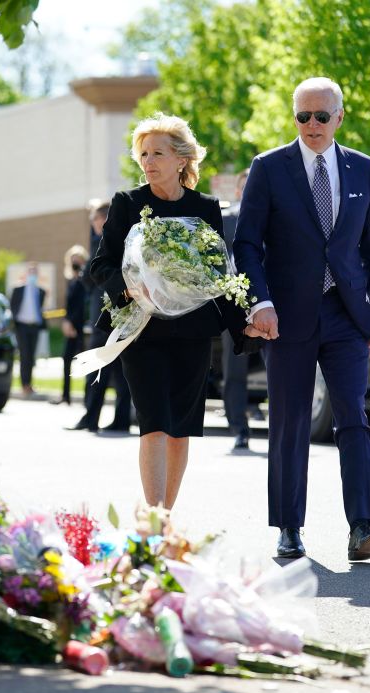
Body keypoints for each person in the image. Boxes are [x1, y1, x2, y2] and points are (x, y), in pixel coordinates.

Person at [232, 77, 370, 561]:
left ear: (339, 117)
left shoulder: (361, 169)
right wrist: (259, 303)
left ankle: (363, 525)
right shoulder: (269, 168)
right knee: (290, 422)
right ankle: (288, 527)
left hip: (347, 315)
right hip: (286, 317)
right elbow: (246, 243)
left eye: (322, 116)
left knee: (353, 415)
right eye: (303, 116)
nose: (312, 125)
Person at [87, 113, 251, 509]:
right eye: (143, 154)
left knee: (181, 430)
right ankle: (154, 523)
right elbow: (100, 265)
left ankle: (166, 516)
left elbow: (217, 273)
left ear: (181, 159)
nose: (148, 161)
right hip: (144, 332)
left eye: (157, 153)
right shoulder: (128, 204)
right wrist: (128, 287)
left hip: (193, 335)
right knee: (155, 424)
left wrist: (244, 327)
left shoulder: (206, 207)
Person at [69, 202, 132, 433]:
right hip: (122, 315)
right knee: (120, 372)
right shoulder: (125, 241)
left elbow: (88, 277)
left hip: (104, 315)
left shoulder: (102, 242)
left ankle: (90, 417)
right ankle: (121, 419)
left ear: (102, 220)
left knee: (97, 367)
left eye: (95, 220)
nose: (93, 225)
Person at [222, 169, 253, 450]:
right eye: (244, 186)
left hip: (270, 302)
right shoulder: (226, 219)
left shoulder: (272, 217)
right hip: (234, 303)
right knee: (235, 368)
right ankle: (239, 427)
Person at [50, 245, 89, 405]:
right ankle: (66, 395)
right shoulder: (71, 281)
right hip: (70, 326)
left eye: (78, 259)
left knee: (87, 362)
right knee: (66, 359)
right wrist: (66, 322)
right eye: (73, 260)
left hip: (80, 327)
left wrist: (71, 323)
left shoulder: (83, 280)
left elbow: (81, 305)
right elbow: (69, 305)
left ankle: (89, 398)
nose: (75, 262)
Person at [9, 262, 46, 398]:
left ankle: (29, 384)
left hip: (34, 327)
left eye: (34, 272)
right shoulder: (18, 290)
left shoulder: (41, 291)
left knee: (31, 357)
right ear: (26, 274)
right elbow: (12, 307)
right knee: (24, 356)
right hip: (22, 326)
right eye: (30, 272)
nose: (32, 275)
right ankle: (24, 385)